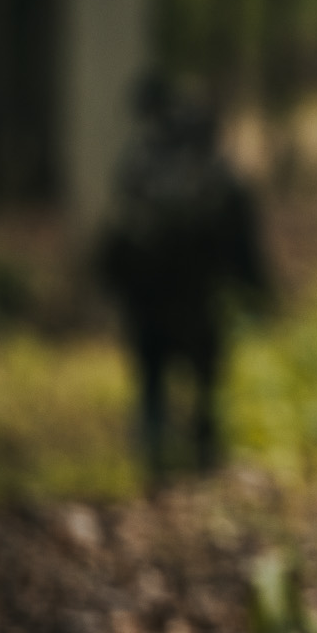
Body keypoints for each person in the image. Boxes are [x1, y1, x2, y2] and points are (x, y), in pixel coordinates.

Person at [97, 76, 267, 481]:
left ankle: (153, 462)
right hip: (199, 298)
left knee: (151, 377)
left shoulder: (137, 164)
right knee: (205, 379)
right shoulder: (220, 176)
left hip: (144, 298)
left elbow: (115, 234)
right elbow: (244, 248)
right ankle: (203, 457)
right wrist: (258, 293)